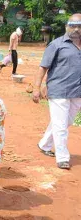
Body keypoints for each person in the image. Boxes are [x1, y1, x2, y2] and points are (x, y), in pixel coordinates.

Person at [34, 14, 81, 170]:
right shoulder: (56, 44)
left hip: (77, 91)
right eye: (73, 25)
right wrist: (36, 87)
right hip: (59, 90)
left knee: (65, 122)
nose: (76, 29)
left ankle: (44, 144)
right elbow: (43, 67)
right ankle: (62, 157)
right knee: (60, 125)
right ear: (66, 26)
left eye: (79, 26)